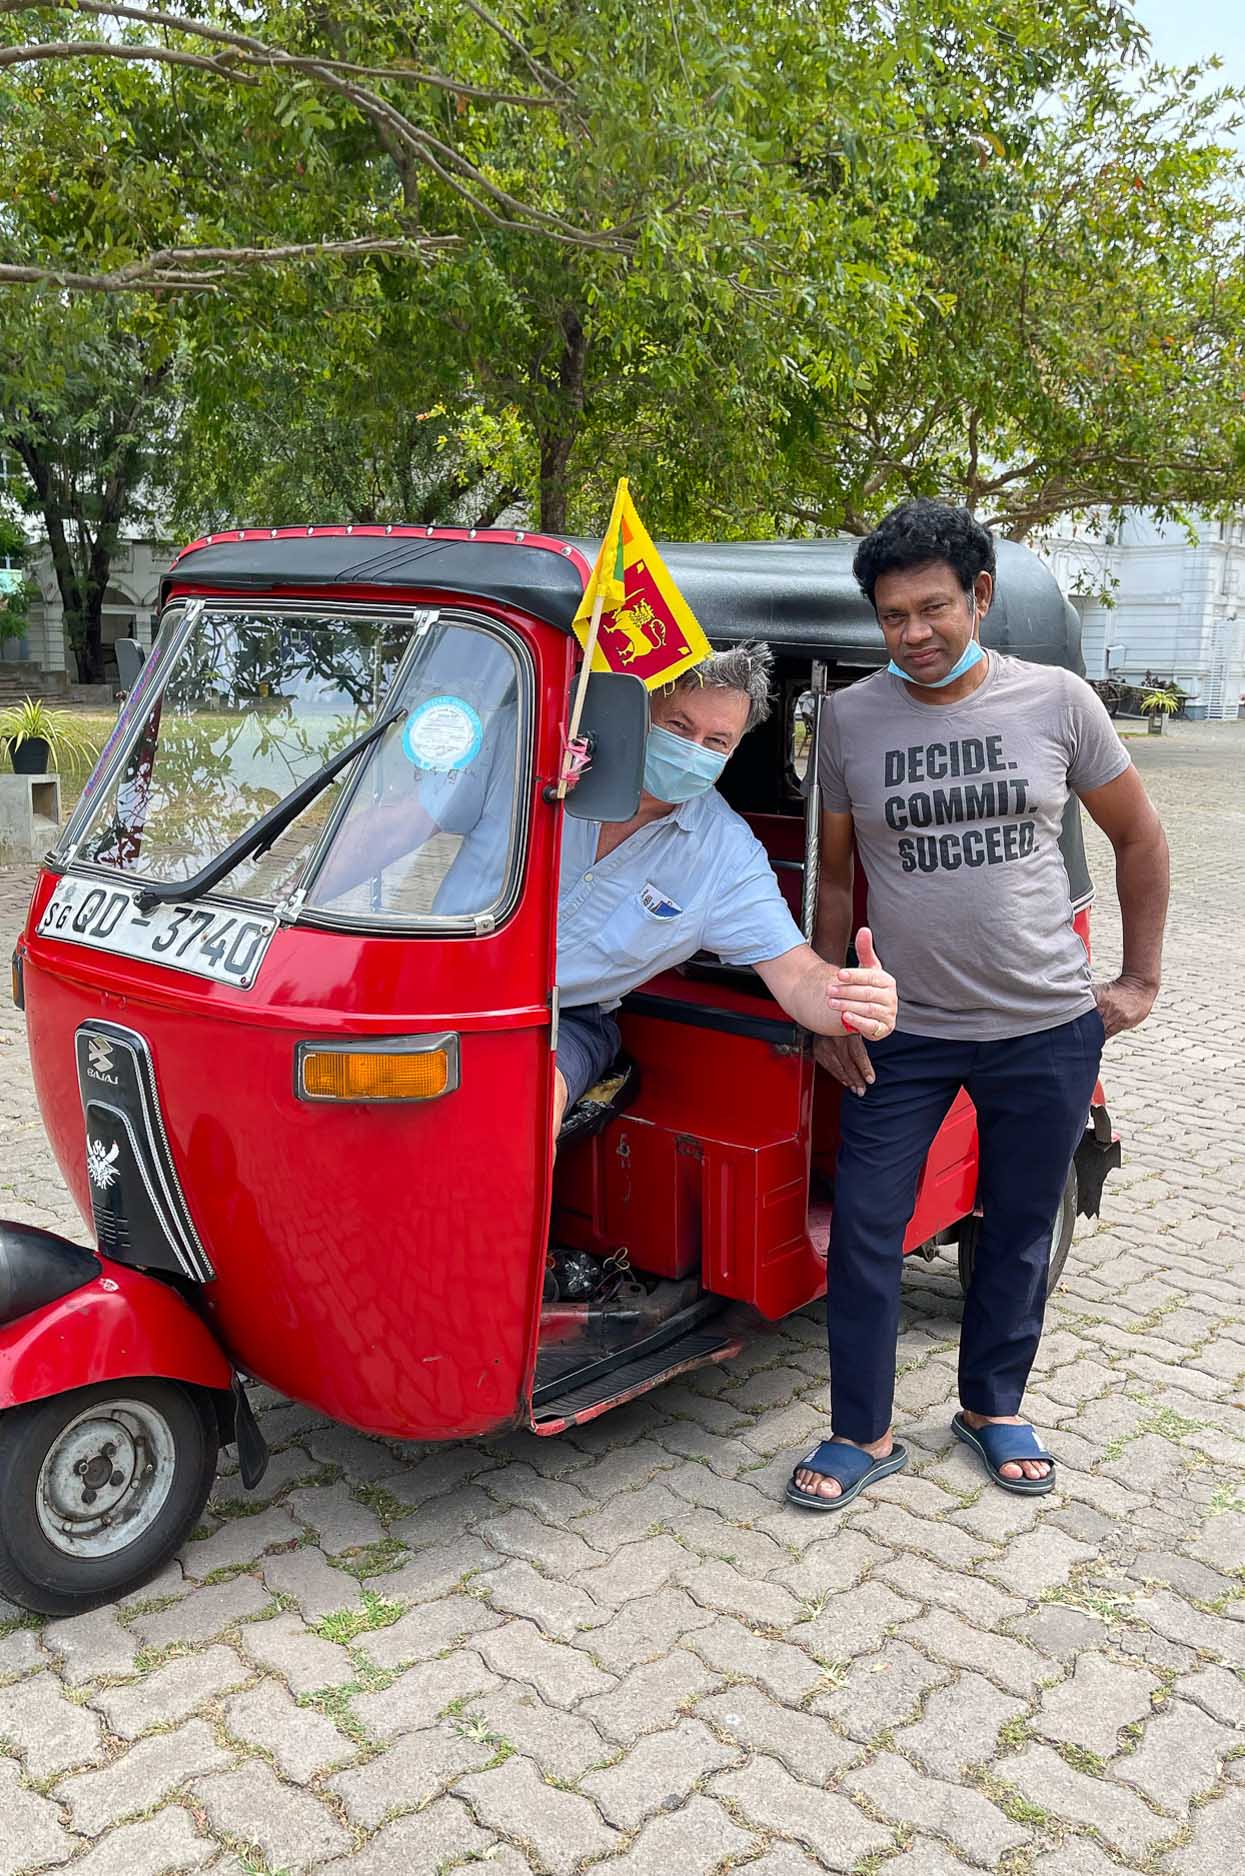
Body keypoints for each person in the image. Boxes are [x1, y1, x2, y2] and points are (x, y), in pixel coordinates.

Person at [790, 500, 1168, 1510]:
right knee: (867, 1228)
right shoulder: (851, 717)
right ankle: (859, 1431)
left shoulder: (1058, 701)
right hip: (900, 1035)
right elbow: (833, 879)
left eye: (933, 607)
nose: (913, 632)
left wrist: (1136, 982)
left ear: (980, 597)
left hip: (1045, 1027)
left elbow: (1140, 838)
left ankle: (991, 1405)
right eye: (891, 615)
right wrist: (829, 1006)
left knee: (1010, 1228)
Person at [312, 644, 900, 1143]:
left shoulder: (725, 854)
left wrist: (851, 999)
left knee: (517, 1115)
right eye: (679, 727)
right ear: (638, 713)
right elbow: (400, 825)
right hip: (442, 978)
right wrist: (289, 896)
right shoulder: (534, 755)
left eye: (716, 742)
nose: (695, 749)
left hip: (564, 1019)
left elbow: (797, 974)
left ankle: (486, 1272)